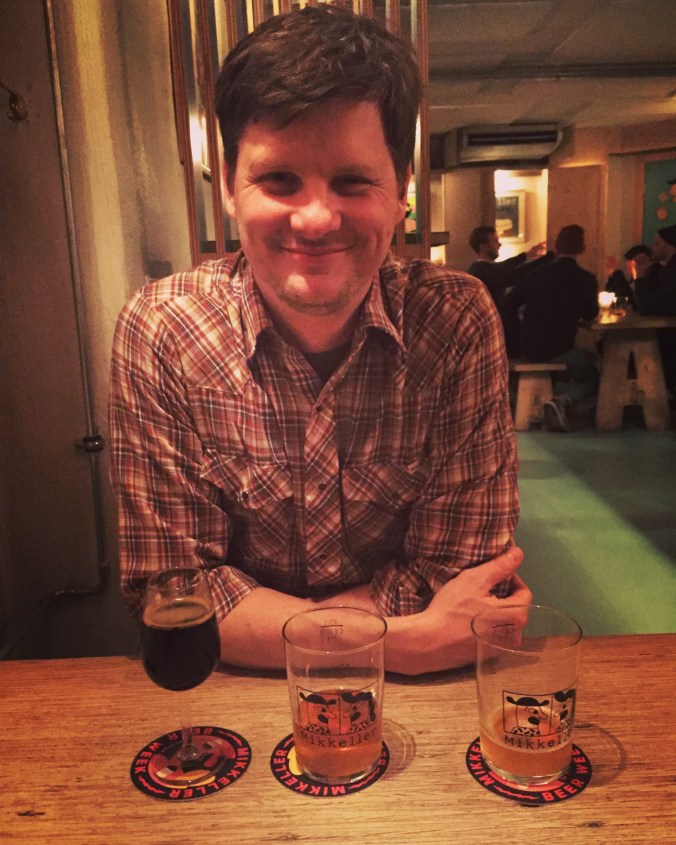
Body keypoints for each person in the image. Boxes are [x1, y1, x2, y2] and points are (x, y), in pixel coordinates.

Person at [109, 5, 529, 677]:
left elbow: (461, 573)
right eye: (279, 180)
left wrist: (272, 625)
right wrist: (402, 641)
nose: (313, 219)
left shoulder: (455, 320)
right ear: (229, 185)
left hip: (414, 701)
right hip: (239, 694)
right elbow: (175, 593)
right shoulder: (161, 328)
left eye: (352, 181)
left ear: (402, 190)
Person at [500, 224, 599, 432]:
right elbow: (591, 314)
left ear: (557, 245)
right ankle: (562, 399)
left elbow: (508, 303)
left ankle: (553, 401)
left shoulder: (538, 273)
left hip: (528, 346)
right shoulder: (586, 279)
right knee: (598, 378)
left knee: (572, 366)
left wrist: (517, 331)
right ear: (582, 247)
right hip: (561, 347)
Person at [634, 224, 676, 391]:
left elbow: (647, 307)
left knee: (624, 346)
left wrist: (640, 276)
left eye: (657, 243)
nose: (652, 248)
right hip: (666, 330)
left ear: (670, 246)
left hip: (669, 335)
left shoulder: (672, 272)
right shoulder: (666, 269)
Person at [468, 226, 549, 307]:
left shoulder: (481, 267)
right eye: (495, 241)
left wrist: (526, 255)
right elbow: (512, 276)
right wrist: (545, 260)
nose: (499, 244)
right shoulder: (481, 270)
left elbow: (505, 265)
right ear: (483, 247)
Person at [605, 244, 654, 308]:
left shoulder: (649, 282)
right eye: (628, 268)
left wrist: (617, 274)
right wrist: (612, 275)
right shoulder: (632, 282)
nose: (629, 271)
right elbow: (611, 293)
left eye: (632, 268)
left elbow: (629, 299)